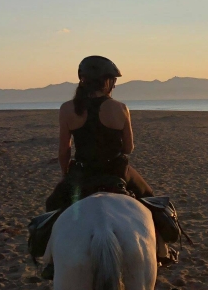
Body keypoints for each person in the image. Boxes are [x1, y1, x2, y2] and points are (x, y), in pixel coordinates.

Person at [45, 56, 153, 212]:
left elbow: (64, 150)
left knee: (52, 206)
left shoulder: (68, 108)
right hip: (116, 171)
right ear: (107, 81)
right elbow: (128, 148)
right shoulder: (120, 108)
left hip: (82, 173)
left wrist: (66, 174)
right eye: (113, 81)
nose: (114, 86)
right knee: (150, 198)